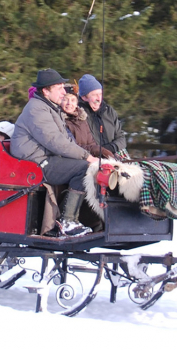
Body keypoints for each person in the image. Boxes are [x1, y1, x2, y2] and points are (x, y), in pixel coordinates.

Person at [12, 68, 100, 237]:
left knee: (86, 166)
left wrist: (88, 156)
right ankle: (68, 221)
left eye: (63, 87)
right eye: (59, 88)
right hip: (35, 164)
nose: (63, 91)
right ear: (45, 91)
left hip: (46, 158)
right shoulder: (37, 110)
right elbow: (56, 142)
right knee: (85, 168)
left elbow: (66, 141)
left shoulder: (50, 107)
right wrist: (87, 157)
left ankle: (82, 220)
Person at [78, 74, 127, 157]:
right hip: (92, 158)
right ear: (84, 97)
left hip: (116, 154)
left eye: (100, 94)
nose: (99, 98)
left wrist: (111, 148)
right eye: (94, 95)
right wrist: (99, 151)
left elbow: (121, 138)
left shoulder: (109, 111)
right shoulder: (78, 115)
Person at [62, 91, 112, 159]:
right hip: (73, 159)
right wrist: (99, 150)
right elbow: (72, 146)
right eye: (65, 99)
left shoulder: (82, 119)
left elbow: (91, 142)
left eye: (73, 100)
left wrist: (98, 153)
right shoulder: (61, 120)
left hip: (87, 157)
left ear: (76, 103)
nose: (69, 103)